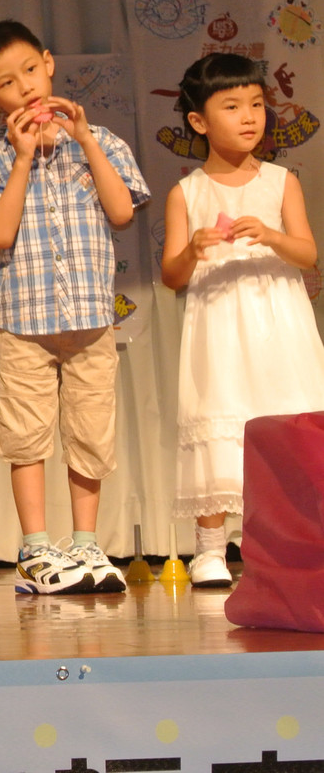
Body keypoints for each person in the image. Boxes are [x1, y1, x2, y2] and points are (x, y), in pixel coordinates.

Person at [0, 19, 150, 595]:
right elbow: (0, 235)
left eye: (29, 70)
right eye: (6, 82)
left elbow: (122, 212)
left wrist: (87, 140)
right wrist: (22, 159)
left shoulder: (103, 142)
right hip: (26, 322)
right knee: (26, 433)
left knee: (91, 429)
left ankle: (86, 544)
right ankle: (35, 547)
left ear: (48, 64)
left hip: (91, 318)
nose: (24, 86)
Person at [159, 53, 324, 588]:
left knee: (289, 419)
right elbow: (172, 276)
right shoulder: (186, 192)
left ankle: (296, 543)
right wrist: (193, 249)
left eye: (255, 104)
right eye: (232, 106)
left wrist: (272, 235)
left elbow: (308, 254)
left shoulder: (280, 181)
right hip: (220, 326)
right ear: (199, 121)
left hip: (281, 323)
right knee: (220, 414)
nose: (249, 116)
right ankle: (210, 548)